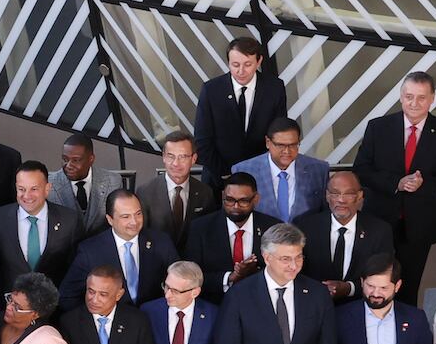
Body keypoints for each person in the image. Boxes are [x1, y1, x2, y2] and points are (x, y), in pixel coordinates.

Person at [354, 72, 436, 304]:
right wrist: (396, 183)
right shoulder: (378, 127)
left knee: (409, 286)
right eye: (408, 96)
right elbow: (361, 169)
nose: (414, 103)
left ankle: (405, 332)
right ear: (401, 97)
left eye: (421, 98)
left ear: (432, 98)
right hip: (379, 221)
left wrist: (424, 185)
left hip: (419, 224)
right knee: (374, 283)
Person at [192, 36, 288, 182]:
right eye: (235, 65)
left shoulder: (274, 88)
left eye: (248, 64)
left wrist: (258, 170)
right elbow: (202, 140)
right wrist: (227, 173)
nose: (241, 71)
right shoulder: (211, 90)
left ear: (259, 61)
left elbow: (278, 134)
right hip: (219, 177)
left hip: (260, 176)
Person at [62, 190, 177, 308]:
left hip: (153, 320)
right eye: (125, 216)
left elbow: (178, 284)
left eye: (138, 214)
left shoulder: (162, 242)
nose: (134, 221)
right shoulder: (90, 250)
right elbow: (68, 296)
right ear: (110, 219)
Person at [295, 170, 393, 304]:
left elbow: (384, 275)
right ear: (327, 196)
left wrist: (349, 288)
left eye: (349, 194)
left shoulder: (380, 230)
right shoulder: (306, 227)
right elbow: (296, 272)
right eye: (335, 194)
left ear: (360, 196)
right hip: (314, 305)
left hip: (360, 308)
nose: (341, 200)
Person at [184, 172, 279, 302]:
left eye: (243, 201)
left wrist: (251, 272)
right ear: (223, 196)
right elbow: (190, 276)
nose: (235, 206)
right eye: (230, 200)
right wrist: (230, 277)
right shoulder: (201, 228)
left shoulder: (272, 228)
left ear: (256, 199)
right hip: (215, 305)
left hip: (260, 303)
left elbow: (280, 270)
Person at [0, 160, 83, 288]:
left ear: (47, 189)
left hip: (54, 303)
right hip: (11, 303)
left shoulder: (69, 220)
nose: (27, 196)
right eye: (21, 189)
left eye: (34, 189)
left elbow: (75, 268)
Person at [232, 118, 329, 225]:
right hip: (262, 238)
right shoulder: (245, 170)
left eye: (292, 145)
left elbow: (324, 213)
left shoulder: (318, 170)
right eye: (280, 145)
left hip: (306, 237)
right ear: (268, 142)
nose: (287, 151)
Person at [140, 130, 214, 249]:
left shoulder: (205, 193)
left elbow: (208, 235)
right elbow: (143, 237)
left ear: (194, 159)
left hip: (193, 264)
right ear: (163, 157)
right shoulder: (145, 192)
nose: (175, 163)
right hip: (158, 262)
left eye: (183, 157)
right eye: (170, 156)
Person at [49, 134, 123, 233]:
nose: (69, 165)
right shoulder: (49, 184)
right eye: (65, 159)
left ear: (91, 159)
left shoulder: (113, 181)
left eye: (76, 160)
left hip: (99, 245)